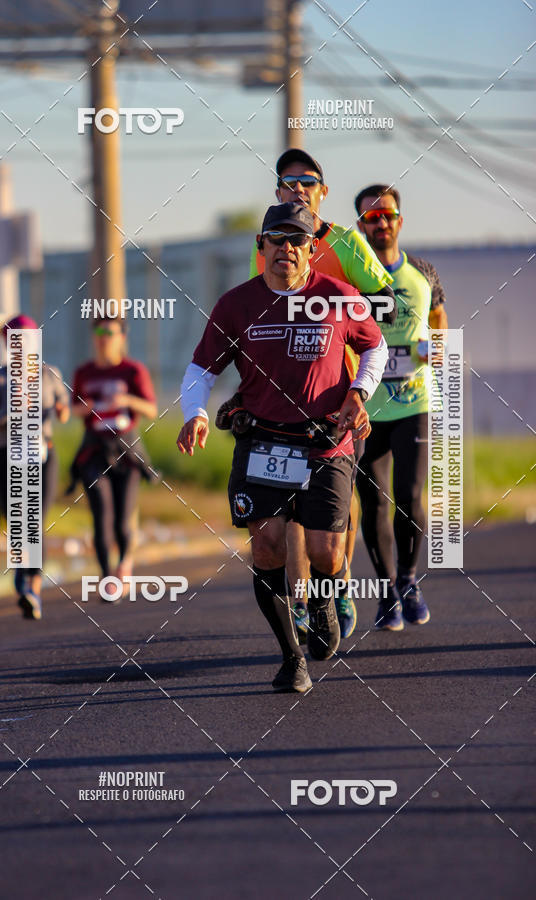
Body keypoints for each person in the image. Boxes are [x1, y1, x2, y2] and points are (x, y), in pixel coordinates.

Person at [177, 202, 387, 692]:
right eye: (276, 240)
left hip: (325, 441)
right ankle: (292, 657)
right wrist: (196, 414)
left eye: (297, 241)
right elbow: (201, 369)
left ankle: (324, 599)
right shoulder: (236, 304)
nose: (286, 250)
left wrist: (359, 393)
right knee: (267, 546)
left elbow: (374, 345)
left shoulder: (340, 296)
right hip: (263, 440)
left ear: (312, 249)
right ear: (261, 247)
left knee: (326, 551)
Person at [241, 148, 397, 642]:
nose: (298, 190)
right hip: (284, 397)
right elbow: (259, 306)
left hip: (343, 397)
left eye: (308, 182)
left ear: (322, 192)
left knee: (334, 506)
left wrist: (333, 308)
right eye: (288, 182)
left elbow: (386, 302)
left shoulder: (347, 243)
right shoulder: (268, 244)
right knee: (286, 506)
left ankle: (338, 585)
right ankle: (301, 597)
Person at [354, 184, 448, 630]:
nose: (381, 223)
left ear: (400, 220)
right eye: (371, 218)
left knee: (410, 498)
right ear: (361, 226)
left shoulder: (423, 273)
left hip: (414, 403)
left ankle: (409, 581)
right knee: (372, 504)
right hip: (366, 410)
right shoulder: (353, 279)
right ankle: (386, 590)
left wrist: (434, 350)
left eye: (387, 214)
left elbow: (440, 325)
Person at [0, 314, 69, 619]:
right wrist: (6, 413)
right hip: (9, 453)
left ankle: (32, 588)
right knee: (18, 523)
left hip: (43, 453)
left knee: (35, 521)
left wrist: (61, 409)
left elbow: (64, 411)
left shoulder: (50, 374)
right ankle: (22, 576)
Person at [70, 316, 157, 584]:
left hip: (126, 452)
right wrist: (87, 407)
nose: (103, 337)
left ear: (122, 338)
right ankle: (108, 578)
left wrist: (127, 400)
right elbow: (72, 410)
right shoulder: (84, 372)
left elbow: (151, 410)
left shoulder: (133, 371)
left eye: (110, 332)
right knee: (101, 514)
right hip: (94, 449)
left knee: (122, 521)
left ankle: (125, 563)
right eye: (99, 332)